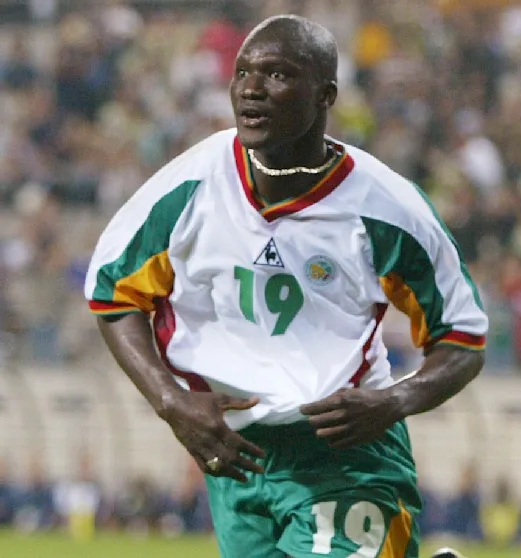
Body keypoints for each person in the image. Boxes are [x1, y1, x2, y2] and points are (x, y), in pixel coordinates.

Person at [85, 15, 487, 558]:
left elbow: (463, 339)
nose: (251, 88)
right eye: (243, 72)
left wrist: (393, 400)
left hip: (344, 454)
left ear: (326, 95)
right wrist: (170, 401)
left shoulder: (387, 209)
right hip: (236, 456)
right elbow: (112, 294)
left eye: (277, 75)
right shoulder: (191, 186)